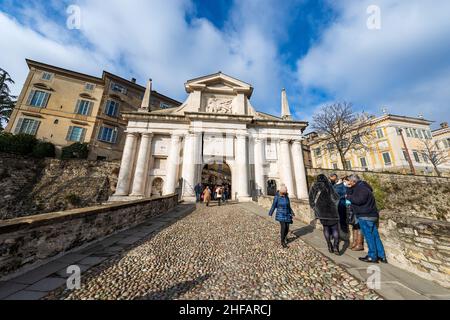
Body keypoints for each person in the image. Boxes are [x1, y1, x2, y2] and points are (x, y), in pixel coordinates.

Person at [346, 174, 387, 264]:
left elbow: (359, 200)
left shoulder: (361, 188)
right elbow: (353, 193)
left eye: (349, 181)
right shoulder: (362, 186)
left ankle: (372, 256)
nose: (348, 182)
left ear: (353, 181)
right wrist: (349, 188)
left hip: (365, 215)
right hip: (370, 215)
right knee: (375, 236)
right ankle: (381, 256)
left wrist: (348, 197)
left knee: (369, 237)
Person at [309, 174, 341, 255]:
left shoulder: (314, 186)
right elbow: (336, 198)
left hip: (321, 212)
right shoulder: (329, 185)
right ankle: (336, 247)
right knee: (335, 229)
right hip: (332, 211)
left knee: (326, 228)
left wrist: (315, 208)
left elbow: (311, 199)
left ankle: (329, 245)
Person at [343, 176, 364, 251]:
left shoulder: (359, 187)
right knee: (354, 226)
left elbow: (353, 198)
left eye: (348, 181)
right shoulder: (352, 187)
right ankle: (355, 242)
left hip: (357, 209)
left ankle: (359, 244)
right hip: (351, 208)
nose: (348, 183)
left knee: (358, 226)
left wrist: (348, 190)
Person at [332, 175, 350, 242]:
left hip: (340, 205)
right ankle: (341, 236)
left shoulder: (338, 186)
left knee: (341, 221)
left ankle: (341, 236)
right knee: (341, 221)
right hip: (340, 205)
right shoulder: (339, 186)